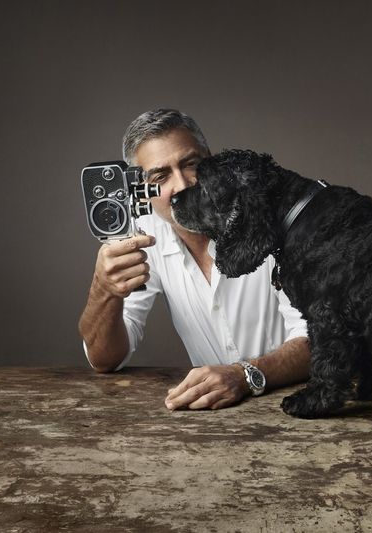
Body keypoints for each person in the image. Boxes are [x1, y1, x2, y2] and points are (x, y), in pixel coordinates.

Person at [78, 109, 310, 411]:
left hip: (306, 403)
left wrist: (244, 375)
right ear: (140, 190)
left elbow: (320, 336)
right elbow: (105, 359)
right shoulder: (145, 234)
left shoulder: (271, 217)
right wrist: (104, 290)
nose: (183, 185)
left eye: (191, 165)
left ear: (212, 161)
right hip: (217, 416)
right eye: (160, 176)